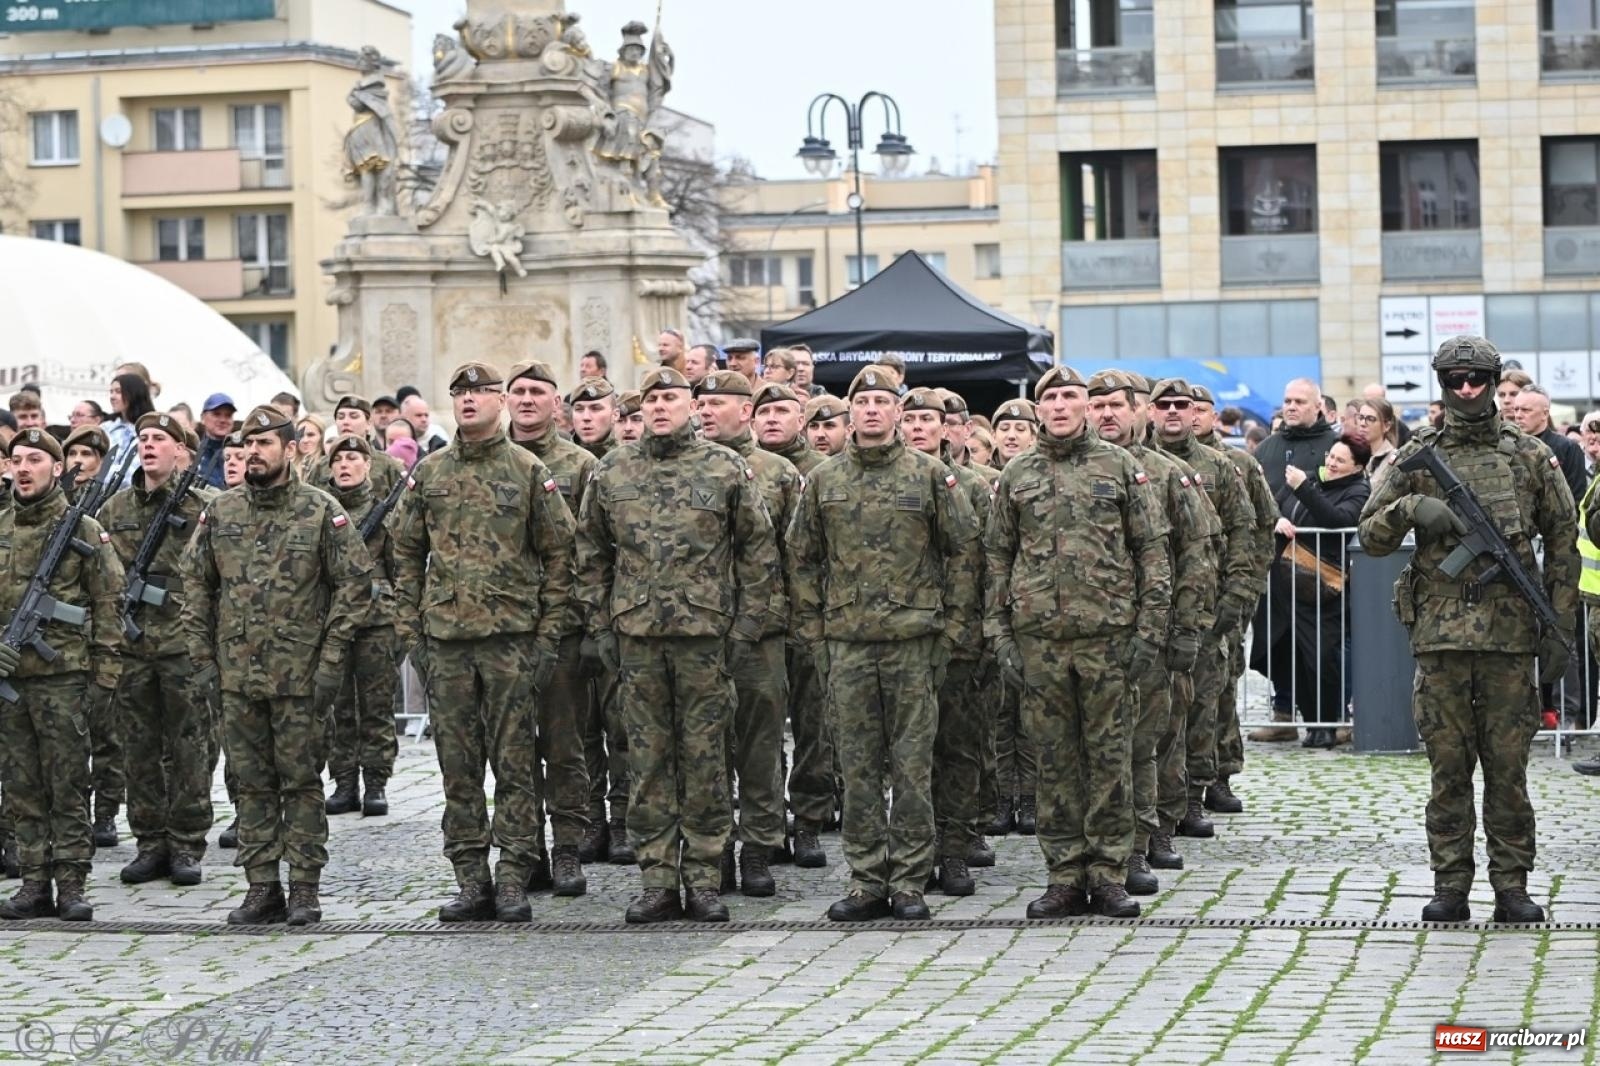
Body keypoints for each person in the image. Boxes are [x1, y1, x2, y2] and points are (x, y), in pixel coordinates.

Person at [1359, 336, 1577, 924]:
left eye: (1476, 377)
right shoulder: (1417, 456)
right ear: (1442, 383)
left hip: (1510, 639)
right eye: (1454, 379)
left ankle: (1511, 886)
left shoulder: (1529, 456)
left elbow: (1562, 542)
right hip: (1441, 638)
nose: (1466, 388)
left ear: (1492, 379)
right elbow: (1369, 536)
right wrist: (1409, 511)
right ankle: (1450, 885)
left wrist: (1558, 628)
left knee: (1509, 772)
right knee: (1447, 770)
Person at [575, 366, 775, 924]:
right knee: (647, 761)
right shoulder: (613, 470)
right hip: (636, 640)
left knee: (707, 761)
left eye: (671, 397)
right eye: (652, 400)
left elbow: (758, 554)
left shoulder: (724, 467)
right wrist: (601, 627)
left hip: (706, 641)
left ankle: (705, 877)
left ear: (690, 404)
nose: (661, 408)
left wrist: (744, 630)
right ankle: (658, 878)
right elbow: (590, 555)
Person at [788, 365, 980, 923]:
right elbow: (801, 559)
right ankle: (867, 879)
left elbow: (964, 552)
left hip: (913, 644)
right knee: (857, 766)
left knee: (914, 766)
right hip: (846, 644)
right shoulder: (824, 479)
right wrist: (815, 634)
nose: (872, 410)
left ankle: (910, 881)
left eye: (882, 401)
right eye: (862, 402)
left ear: (898, 412)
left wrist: (952, 630)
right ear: (850, 414)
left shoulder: (930, 475)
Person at [391, 363, 577, 923]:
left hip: (510, 643)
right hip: (446, 644)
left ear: (499, 402)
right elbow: (401, 550)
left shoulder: (526, 469)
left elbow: (561, 555)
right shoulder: (429, 473)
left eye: (480, 392)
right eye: (460, 393)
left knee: (516, 764)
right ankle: (470, 877)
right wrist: (412, 630)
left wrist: (545, 639)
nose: (469, 400)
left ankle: (515, 874)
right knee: (459, 767)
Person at [986, 367, 1171, 919]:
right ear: (1038, 408)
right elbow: (997, 557)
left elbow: (1152, 554)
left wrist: (1149, 632)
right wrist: (1000, 634)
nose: (1061, 405)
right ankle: (1064, 873)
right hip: (1039, 641)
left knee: (1111, 758)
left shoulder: (1120, 467)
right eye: (1051, 398)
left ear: (1086, 406)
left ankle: (1109, 871)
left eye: (1071, 396)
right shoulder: (1017, 473)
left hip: (1108, 640)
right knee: (1055, 761)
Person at [181, 405, 373, 927]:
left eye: (265, 443)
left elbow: (355, 586)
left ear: (290, 449)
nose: (253, 453)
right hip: (237, 675)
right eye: (247, 444)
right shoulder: (221, 512)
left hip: (300, 676)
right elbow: (195, 585)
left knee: (302, 782)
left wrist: (331, 657)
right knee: (250, 783)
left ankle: (305, 887)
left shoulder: (320, 509)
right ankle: (261, 884)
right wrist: (202, 659)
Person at [1089, 370, 1219, 897]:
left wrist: (1188, 629)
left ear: (1138, 410)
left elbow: (1197, 556)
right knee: (1095, 750)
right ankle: (1092, 850)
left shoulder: (1167, 474)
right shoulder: (1073, 469)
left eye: (1116, 405)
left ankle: (1145, 838)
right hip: (1092, 636)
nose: (1106, 415)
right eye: (1096, 406)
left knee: (1147, 745)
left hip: (1153, 635)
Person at [0, 429, 125, 921]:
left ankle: (71, 881)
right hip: (11, 682)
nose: (24, 468)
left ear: (57, 468)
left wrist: (105, 679)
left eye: (35, 459)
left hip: (64, 676)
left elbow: (110, 604)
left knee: (68, 781)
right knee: (21, 783)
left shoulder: (84, 529)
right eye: (16, 460)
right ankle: (34, 881)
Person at [99, 412, 218, 888]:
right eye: (143, 439)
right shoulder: (116, 509)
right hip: (132, 647)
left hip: (183, 646)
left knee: (189, 746)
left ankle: (187, 843)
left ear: (180, 451)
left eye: (159, 440)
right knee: (139, 748)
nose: (149, 446)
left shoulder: (206, 508)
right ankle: (150, 842)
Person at [505, 361, 613, 876]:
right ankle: (524, 850)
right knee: (511, 750)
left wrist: (593, 626)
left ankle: (569, 845)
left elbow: (593, 550)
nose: (527, 400)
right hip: (500, 631)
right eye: (519, 391)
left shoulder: (582, 465)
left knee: (566, 745)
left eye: (538, 392)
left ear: (556, 404)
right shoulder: (484, 463)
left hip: (563, 630)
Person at [694, 370, 799, 896]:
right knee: (703, 748)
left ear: (746, 411)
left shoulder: (778, 473)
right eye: (701, 402)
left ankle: (758, 847)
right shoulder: (686, 468)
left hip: (759, 632)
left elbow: (794, 553)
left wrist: (770, 618)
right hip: (698, 631)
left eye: (718, 403)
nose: (706, 411)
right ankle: (711, 852)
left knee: (759, 746)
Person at [1151, 379, 1259, 847]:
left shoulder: (1223, 466)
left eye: (1184, 405)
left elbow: (1247, 534)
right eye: (1166, 405)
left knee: (1202, 706)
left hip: (1209, 611)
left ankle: (1194, 793)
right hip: (1157, 612)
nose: (1176, 412)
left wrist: (1237, 598)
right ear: (1150, 411)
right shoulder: (1139, 466)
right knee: (1160, 714)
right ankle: (1158, 803)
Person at [898, 388, 989, 896]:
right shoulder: (891, 480)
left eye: (928, 419)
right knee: (909, 753)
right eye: (909, 418)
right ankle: (912, 849)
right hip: (905, 639)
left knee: (956, 749)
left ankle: (954, 848)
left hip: (956, 641)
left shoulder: (970, 487)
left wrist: (972, 634)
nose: (917, 427)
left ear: (948, 427)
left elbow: (983, 562)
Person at [1255, 434, 1371, 749]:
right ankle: (1312, 723)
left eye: (1340, 460)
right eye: (1330, 457)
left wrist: (1303, 488)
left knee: (1322, 659)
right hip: (1291, 582)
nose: (1331, 463)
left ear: (1357, 467)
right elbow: (1285, 508)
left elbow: (1338, 520)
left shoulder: (1358, 490)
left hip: (1325, 587)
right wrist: (1279, 518)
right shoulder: (1316, 484)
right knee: (1291, 654)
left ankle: (1328, 724)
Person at [321, 435, 401, 822]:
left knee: (376, 705)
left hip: (375, 621)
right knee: (338, 706)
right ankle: (344, 781)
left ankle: (376, 781)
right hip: (333, 619)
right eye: (338, 460)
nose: (345, 465)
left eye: (353, 458)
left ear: (368, 465)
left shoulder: (384, 512)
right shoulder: (320, 509)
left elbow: (400, 569)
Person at [1254, 378, 1339, 507]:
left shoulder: (1337, 445)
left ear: (1317, 407)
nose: (1292, 407)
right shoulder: (1264, 448)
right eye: (1287, 401)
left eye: (1300, 402)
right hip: (1273, 526)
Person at [1513, 385, 1587, 504]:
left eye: (1526, 410)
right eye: (1516, 409)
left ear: (1545, 414)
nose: (1518, 415)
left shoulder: (1567, 447)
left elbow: (1577, 497)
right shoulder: (1508, 446)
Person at [330, 396, 406, 498]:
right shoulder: (320, 467)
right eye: (340, 417)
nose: (345, 422)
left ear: (369, 424)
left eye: (353, 416)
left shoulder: (389, 465)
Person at [754, 381, 820, 475]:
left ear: (800, 422)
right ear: (753, 424)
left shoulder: (823, 469)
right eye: (763, 412)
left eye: (782, 411)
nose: (771, 419)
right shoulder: (739, 466)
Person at [106, 374, 157, 461]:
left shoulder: (152, 428)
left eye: (118, 392)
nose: (112, 397)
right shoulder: (106, 427)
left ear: (134, 393)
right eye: (111, 392)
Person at [1355, 397, 1400, 488]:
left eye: (1370, 419)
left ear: (1386, 426)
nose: (1363, 423)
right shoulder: (1351, 454)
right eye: (1361, 417)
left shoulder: (1394, 460)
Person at [571, 378, 619, 459]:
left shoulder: (631, 460)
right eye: (579, 409)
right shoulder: (555, 458)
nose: (586, 417)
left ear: (615, 415)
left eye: (595, 409)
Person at [196, 394, 236, 490]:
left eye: (228, 415)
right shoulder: (193, 454)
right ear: (202, 417)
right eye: (216, 414)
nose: (223, 420)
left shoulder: (241, 455)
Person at [992, 400, 1037, 467]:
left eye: (1020, 429)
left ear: (1033, 437)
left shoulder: (1046, 475)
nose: (1011, 436)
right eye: (1005, 429)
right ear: (994, 436)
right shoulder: (979, 476)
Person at [294, 415, 327, 482]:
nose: (305, 440)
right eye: (300, 435)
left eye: (311, 435)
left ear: (322, 437)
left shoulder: (327, 465)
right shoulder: (288, 467)